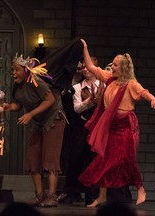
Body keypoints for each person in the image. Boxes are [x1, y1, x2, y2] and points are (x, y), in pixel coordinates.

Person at [78, 39, 155, 207]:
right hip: (112, 126)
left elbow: (144, 92)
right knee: (104, 159)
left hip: (126, 127)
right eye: (112, 64)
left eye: (115, 65)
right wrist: (85, 48)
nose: (111, 67)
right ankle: (102, 195)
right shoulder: (109, 79)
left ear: (123, 68)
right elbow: (91, 67)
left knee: (127, 160)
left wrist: (153, 99)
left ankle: (141, 189)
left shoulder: (130, 84)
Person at [1, 54, 66, 207]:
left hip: (53, 119)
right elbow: (18, 104)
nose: (13, 73)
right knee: (32, 157)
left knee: (50, 158)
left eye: (16, 70)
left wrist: (30, 114)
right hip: (38, 121)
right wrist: (9, 107)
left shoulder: (35, 81)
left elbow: (50, 100)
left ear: (25, 70)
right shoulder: (18, 85)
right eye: (12, 70)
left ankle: (52, 196)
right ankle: (40, 196)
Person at [64, 57, 104, 205]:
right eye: (84, 67)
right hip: (82, 126)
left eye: (89, 66)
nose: (86, 69)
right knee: (77, 158)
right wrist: (91, 100)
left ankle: (91, 195)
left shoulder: (104, 86)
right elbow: (77, 108)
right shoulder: (78, 87)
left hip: (98, 127)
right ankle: (72, 192)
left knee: (93, 160)